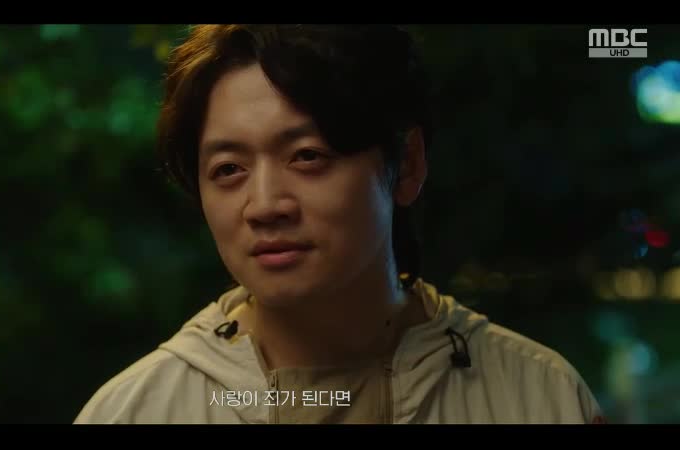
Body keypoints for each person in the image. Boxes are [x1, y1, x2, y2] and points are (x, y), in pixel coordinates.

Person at [74, 24, 604, 424]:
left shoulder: (541, 398)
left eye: (307, 156)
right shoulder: (136, 411)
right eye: (228, 169)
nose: (265, 205)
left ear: (407, 164)